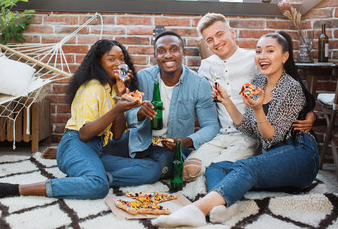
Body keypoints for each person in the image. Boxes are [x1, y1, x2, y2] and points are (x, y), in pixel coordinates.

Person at [152, 31, 319, 228]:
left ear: (284, 56)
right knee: (216, 167)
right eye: (258, 51)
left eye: (270, 51)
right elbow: (248, 128)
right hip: (273, 158)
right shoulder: (257, 83)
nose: (262, 56)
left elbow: (272, 138)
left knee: (246, 166)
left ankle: (196, 210)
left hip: (299, 154)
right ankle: (219, 207)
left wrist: (257, 109)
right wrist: (227, 101)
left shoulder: (290, 88)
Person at [0, 39, 161, 202]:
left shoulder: (114, 90)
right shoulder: (92, 87)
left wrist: (121, 94)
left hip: (95, 150)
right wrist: (116, 109)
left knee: (152, 169)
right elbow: (84, 134)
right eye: (111, 59)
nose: (119, 64)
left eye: (122, 59)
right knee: (98, 188)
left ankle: (91, 178)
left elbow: (118, 134)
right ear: (99, 63)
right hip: (75, 145)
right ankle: (15, 189)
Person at [183, 13, 316, 181]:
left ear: (232, 32)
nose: (216, 42)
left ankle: (216, 196)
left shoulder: (256, 60)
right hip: (219, 135)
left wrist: (311, 114)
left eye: (220, 34)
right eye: (209, 40)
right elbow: (196, 96)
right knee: (189, 171)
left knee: (216, 171)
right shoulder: (206, 66)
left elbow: (289, 89)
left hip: (249, 137)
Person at [121, 30, 219, 179]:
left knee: (164, 166)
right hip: (140, 142)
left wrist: (186, 142)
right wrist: (140, 114)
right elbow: (127, 116)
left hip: (170, 150)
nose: (167, 55)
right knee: (102, 149)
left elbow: (211, 126)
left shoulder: (199, 84)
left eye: (174, 49)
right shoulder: (143, 78)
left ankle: (108, 174)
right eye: (161, 51)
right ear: (155, 55)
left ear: (183, 52)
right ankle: (133, 169)